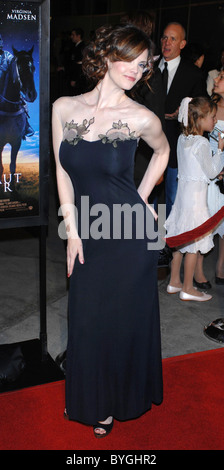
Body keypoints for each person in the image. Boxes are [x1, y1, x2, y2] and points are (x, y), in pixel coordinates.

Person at [52, 24, 169, 438]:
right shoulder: (64, 108)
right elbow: (63, 172)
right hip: (88, 231)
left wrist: (139, 199)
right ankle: (92, 399)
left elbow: (163, 150)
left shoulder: (140, 117)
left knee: (122, 321)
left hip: (129, 234)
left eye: (143, 65)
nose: (136, 71)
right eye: (130, 60)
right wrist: (71, 228)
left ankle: (114, 403)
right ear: (106, 56)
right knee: (87, 320)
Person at [164, 96, 224, 302]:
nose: (215, 121)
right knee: (193, 243)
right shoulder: (202, 143)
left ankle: (174, 282)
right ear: (200, 120)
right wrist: (221, 150)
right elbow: (211, 172)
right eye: (212, 117)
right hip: (196, 201)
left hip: (182, 198)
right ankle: (188, 287)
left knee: (182, 239)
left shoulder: (183, 139)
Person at [158, 22, 208, 218]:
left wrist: (184, 112)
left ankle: (171, 242)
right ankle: (146, 238)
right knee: (146, 195)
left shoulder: (193, 74)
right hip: (147, 145)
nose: (166, 42)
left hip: (176, 145)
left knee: (172, 196)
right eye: (164, 37)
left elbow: (201, 108)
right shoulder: (148, 68)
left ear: (183, 44)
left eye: (173, 38)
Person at [207, 71, 224, 284]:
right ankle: (197, 272)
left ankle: (221, 267)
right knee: (206, 219)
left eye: (221, 77)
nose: (216, 79)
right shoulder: (208, 106)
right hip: (208, 170)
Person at [68, 27, 86, 95]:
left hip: (78, 76)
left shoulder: (81, 47)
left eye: (73, 35)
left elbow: (78, 64)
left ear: (78, 36)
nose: (71, 37)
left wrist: (74, 79)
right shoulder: (76, 46)